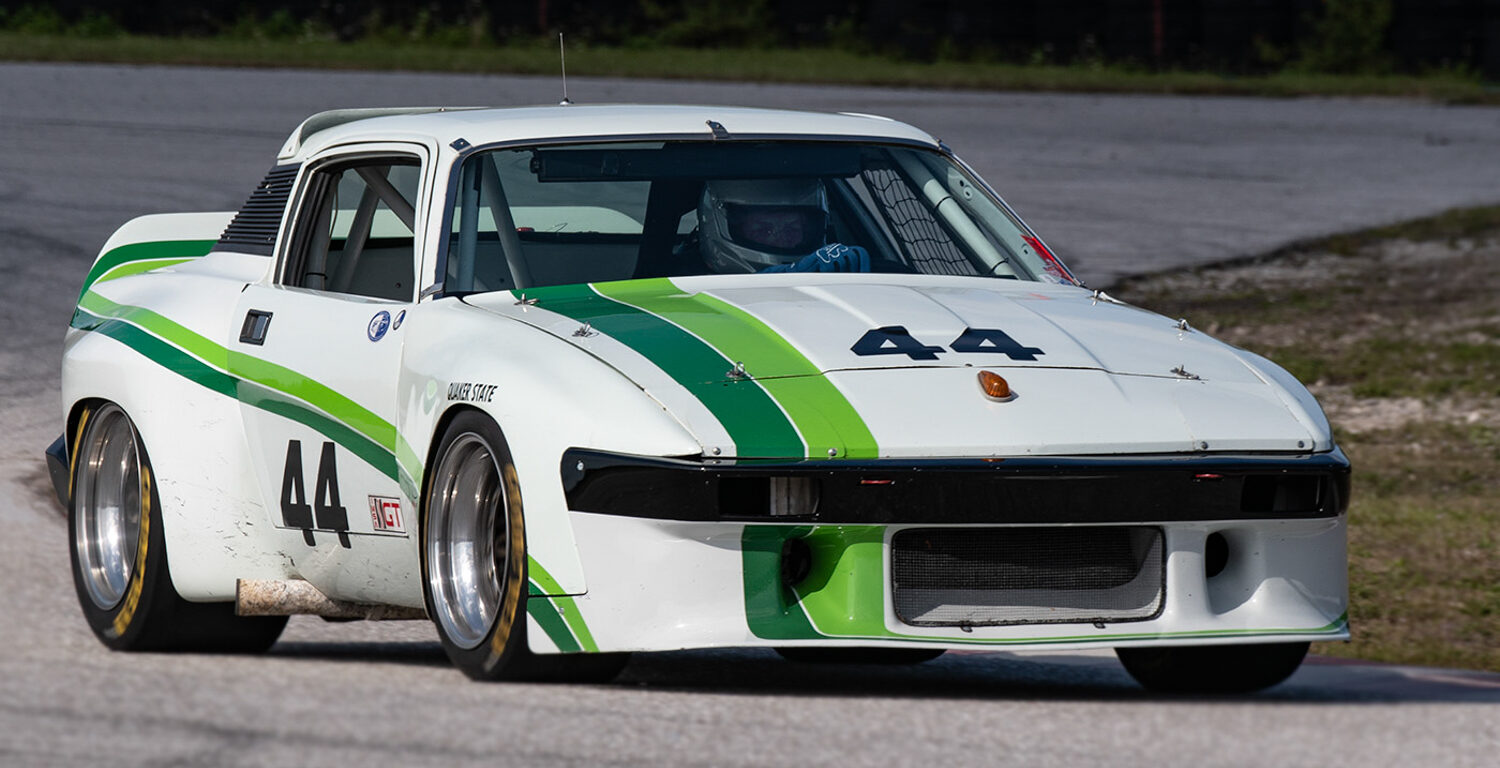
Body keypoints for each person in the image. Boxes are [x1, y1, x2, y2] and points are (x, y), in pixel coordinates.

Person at [695, 178, 871, 274]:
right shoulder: (683, 288)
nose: (780, 239)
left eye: (792, 229)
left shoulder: (834, 272)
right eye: (765, 230)